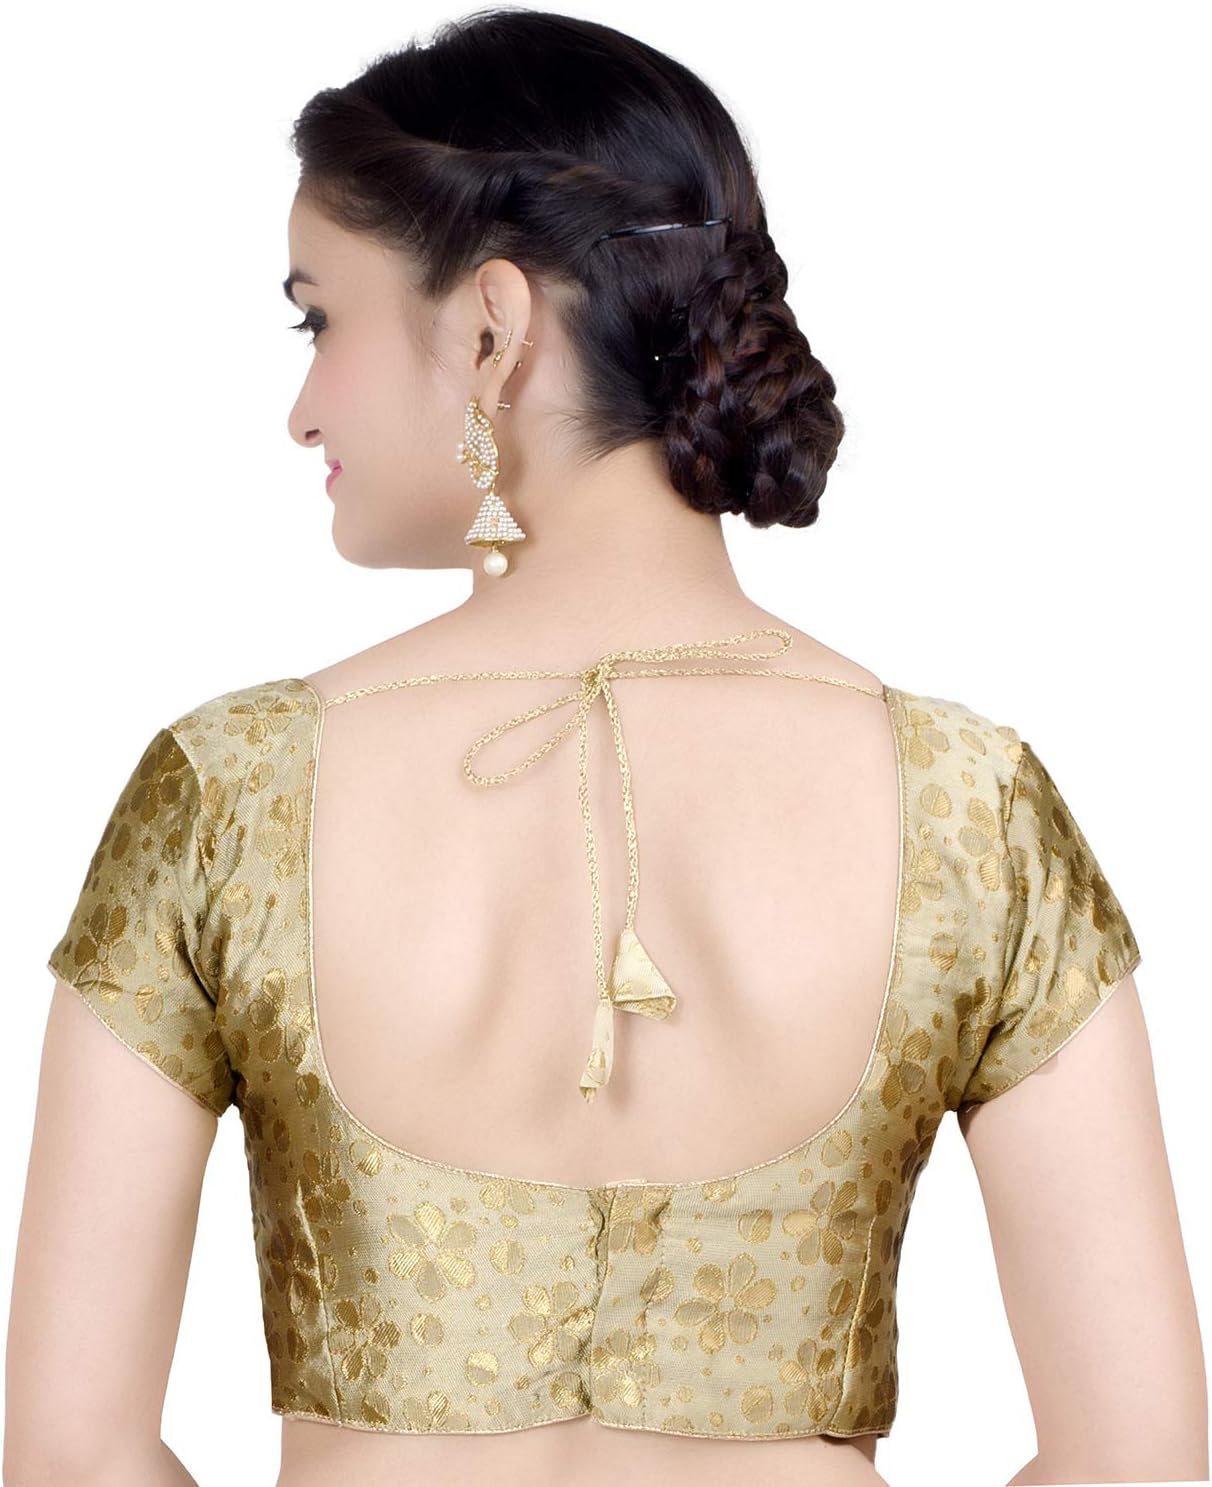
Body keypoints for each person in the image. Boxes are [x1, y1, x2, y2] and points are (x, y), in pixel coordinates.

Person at [8, 10, 1205, 1487]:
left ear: (492, 328)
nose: (302, 410)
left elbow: (72, 1453)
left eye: (319, 321)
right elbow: (1139, 1458)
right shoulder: (971, 808)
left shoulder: (226, 797)